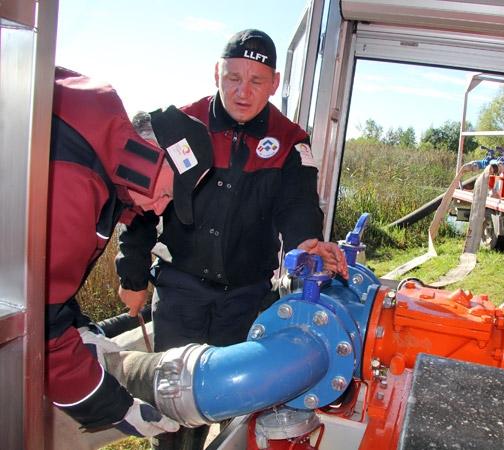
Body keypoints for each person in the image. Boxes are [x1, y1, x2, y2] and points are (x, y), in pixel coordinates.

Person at [115, 29, 348, 449]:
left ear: (275, 83)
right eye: (233, 78)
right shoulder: (178, 126)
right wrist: (132, 275)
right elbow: (141, 207)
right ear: (216, 73)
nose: (243, 91)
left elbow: (297, 205)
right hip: (180, 293)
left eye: (257, 81)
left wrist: (307, 241)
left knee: (239, 407)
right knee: (177, 414)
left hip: (245, 299)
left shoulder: (290, 140)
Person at [47, 67, 212, 438]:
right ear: (148, 156)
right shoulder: (76, 184)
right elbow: (40, 327)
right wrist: (118, 410)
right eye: (167, 193)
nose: (157, 209)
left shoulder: (96, 161)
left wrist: (78, 325)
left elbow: (45, 284)